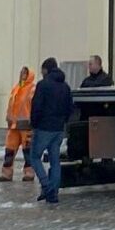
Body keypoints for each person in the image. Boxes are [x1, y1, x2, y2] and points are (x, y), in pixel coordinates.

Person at [26, 58, 73, 204]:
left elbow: (36, 107)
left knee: (34, 157)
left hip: (44, 128)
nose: (41, 73)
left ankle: (46, 185)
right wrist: (63, 121)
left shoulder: (43, 85)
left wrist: (34, 124)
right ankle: (54, 192)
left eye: (42, 70)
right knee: (55, 161)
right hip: (58, 129)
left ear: (46, 70)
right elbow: (70, 108)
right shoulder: (65, 86)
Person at [0, 65, 36, 183]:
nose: (22, 75)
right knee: (9, 149)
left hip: (26, 125)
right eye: (21, 73)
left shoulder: (33, 89)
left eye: (24, 73)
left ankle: (29, 173)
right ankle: (6, 173)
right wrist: (8, 117)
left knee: (28, 150)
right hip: (13, 125)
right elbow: (11, 105)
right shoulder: (16, 88)